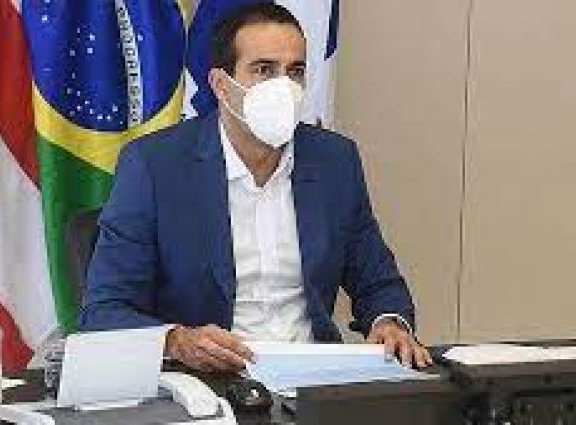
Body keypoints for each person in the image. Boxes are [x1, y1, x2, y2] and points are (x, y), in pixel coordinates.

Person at [80, 3, 432, 372]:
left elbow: (378, 281)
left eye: (295, 72)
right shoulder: (154, 166)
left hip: (313, 375)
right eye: (264, 70)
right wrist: (177, 341)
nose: (283, 87)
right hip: (208, 379)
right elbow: (104, 311)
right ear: (220, 85)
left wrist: (389, 322)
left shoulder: (334, 161)